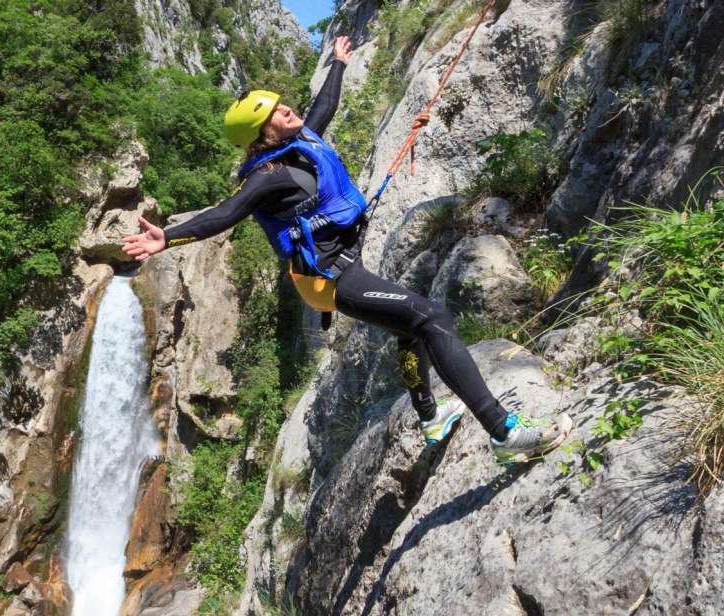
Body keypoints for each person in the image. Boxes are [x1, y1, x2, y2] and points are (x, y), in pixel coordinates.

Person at [121, 36, 573, 465]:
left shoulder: (301, 143)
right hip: (328, 278)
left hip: (339, 265)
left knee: (409, 328)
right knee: (431, 317)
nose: (286, 108)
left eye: (281, 103)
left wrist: (339, 61)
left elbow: (326, 105)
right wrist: (168, 237)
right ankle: (504, 433)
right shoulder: (267, 175)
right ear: (263, 134)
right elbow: (224, 214)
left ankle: (432, 418)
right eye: (275, 112)